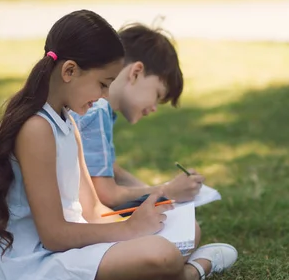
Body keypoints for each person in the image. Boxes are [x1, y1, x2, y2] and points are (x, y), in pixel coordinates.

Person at [0, 10, 237, 280]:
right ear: (70, 71)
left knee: (180, 234)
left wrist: (140, 222)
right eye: (103, 84)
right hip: (28, 267)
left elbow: (92, 210)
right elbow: (53, 235)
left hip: (62, 249)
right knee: (164, 255)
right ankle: (194, 271)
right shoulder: (36, 129)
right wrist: (130, 230)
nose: (104, 96)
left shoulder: (68, 122)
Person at [69, 23, 203, 212]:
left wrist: (160, 192)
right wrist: (167, 191)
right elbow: (106, 194)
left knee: (165, 214)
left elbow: (113, 171)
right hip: (67, 226)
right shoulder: (95, 110)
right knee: (185, 228)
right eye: (157, 95)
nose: (154, 108)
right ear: (136, 73)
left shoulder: (97, 106)